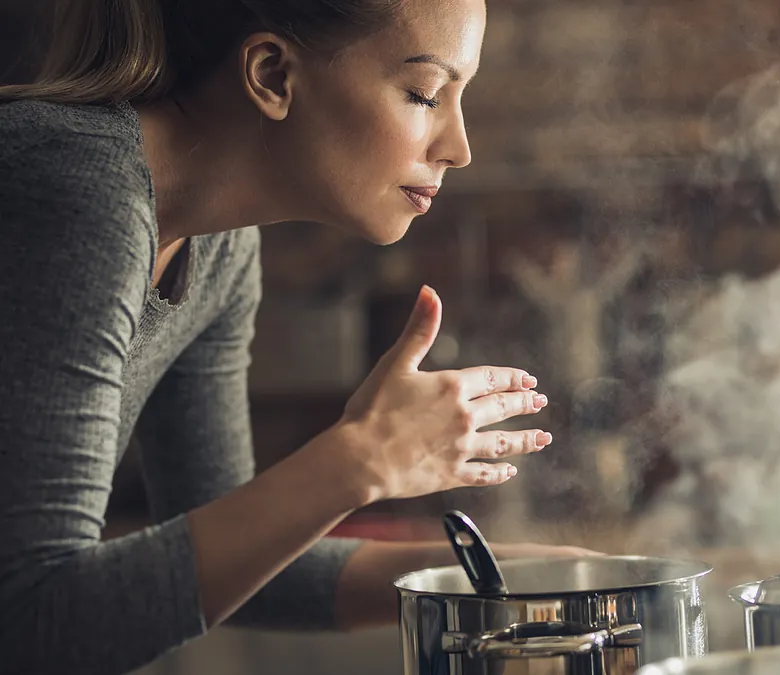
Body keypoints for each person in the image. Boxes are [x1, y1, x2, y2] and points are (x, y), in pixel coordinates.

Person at [0, 1, 599, 673]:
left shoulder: (219, 249)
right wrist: (360, 458)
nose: (458, 147)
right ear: (273, 75)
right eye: (424, 94)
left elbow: (246, 562)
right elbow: (31, 621)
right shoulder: (75, 190)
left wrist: (545, 578)